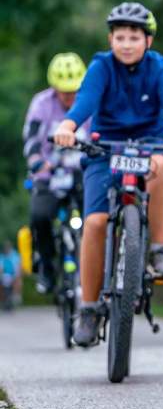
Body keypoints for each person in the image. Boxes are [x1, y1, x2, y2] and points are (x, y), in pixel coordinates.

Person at [53, 2, 163, 347]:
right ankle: (90, 309)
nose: (126, 44)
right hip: (105, 149)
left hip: (150, 145)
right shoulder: (100, 67)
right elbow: (85, 102)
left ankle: (159, 250)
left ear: (148, 41)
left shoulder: (159, 67)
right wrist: (67, 125)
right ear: (110, 39)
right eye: (119, 37)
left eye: (134, 37)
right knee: (94, 223)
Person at [22, 53, 89, 293]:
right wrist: (36, 160)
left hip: (81, 172)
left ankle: (95, 271)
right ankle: (47, 267)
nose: (69, 97)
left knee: (95, 217)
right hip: (49, 174)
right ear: (54, 87)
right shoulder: (41, 104)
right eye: (64, 91)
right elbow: (31, 137)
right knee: (39, 216)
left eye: (74, 90)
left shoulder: (89, 102)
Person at [0, 241, 22, 310]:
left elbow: (17, 267)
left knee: (18, 281)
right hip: (4, 275)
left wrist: (15, 276)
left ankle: (16, 296)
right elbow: (1, 267)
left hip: (13, 275)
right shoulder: (2, 256)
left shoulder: (15, 256)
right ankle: (2, 299)